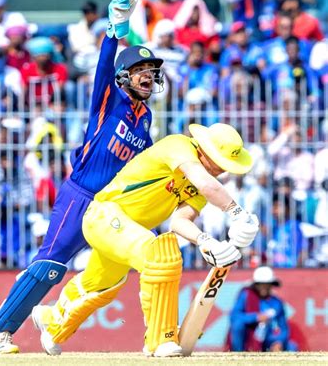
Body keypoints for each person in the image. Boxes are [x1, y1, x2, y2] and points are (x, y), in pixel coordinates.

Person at [0, 0, 164, 354]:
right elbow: (103, 65)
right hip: (80, 196)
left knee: (108, 271)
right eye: (140, 69)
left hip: (108, 208)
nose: (147, 75)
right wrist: (116, 29)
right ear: (124, 77)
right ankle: (0, 328)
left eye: (151, 70)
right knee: (51, 265)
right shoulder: (108, 100)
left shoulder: (145, 119)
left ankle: (52, 323)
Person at [31, 122, 260, 357]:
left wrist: (205, 241)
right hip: (104, 215)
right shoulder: (178, 146)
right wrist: (237, 213)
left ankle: (51, 321)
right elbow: (205, 183)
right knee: (160, 256)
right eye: (221, 163)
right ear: (205, 150)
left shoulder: (204, 185)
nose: (224, 170)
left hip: (128, 231)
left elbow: (180, 222)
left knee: (99, 286)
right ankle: (160, 336)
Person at [228, 266, 291, 351]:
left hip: (267, 336)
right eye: (260, 284)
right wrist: (256, 317)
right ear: (255, 285)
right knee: (238, 325)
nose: (264, 287)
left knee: (292, 347)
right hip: (248, 335)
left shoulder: (276, 303)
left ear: (271, 285)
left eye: (267, 284)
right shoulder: (246, 296)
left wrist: (279, 341)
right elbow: (235, 316)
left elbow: (283, 327)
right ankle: (238, 355)